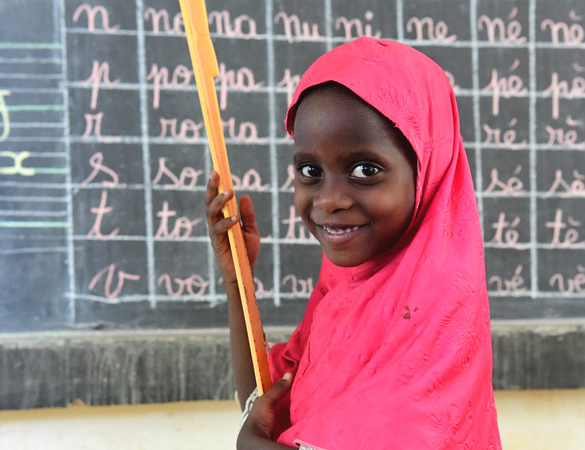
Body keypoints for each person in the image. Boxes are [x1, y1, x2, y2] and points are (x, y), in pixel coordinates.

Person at [206, 37, 501, 449]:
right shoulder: (347, 288)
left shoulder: (438, 303)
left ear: (426, 169)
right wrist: (238, 282)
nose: (329, 199)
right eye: (310, 170)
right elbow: (265, 405)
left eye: (365, 170)